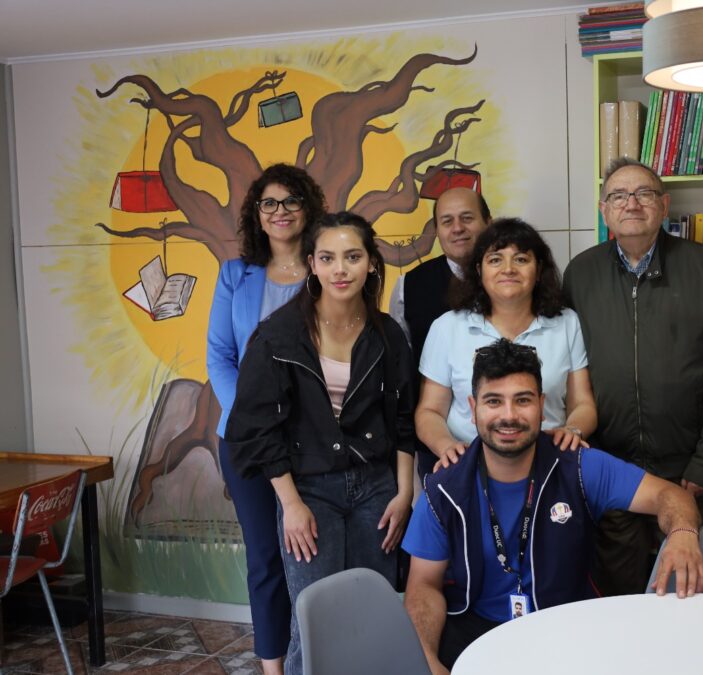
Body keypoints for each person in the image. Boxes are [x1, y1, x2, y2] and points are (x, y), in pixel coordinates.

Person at [403, 339, 703, 674]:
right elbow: (423, 587)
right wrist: (429, 661)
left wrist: (681, 532)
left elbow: (671, 495)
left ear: (542, 405)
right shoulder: (444, 487)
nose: (509, 416)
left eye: (523, 400)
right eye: (493, 401)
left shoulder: (578, 466)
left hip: (568, 631)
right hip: (474, 634)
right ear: (473, 408)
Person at [225, 212, 416, 675]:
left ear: (371, 263)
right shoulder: (277, 335)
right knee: (312, 621)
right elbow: (256, 429)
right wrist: (290, 504)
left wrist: (404, 491)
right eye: (328, 258)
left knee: (373, 614)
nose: (340, 269)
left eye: (353, 257)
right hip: (307, 490)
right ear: (311, 263)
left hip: (376, 488)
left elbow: (405, 418)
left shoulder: (388, 334)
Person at [562, 158, 703, 596]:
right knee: (619, 597)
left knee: (691, 592)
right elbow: (567, 370)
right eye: (619, 195)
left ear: (664, 206)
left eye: (644, 193)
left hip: (689, 469)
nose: (632, 204)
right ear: (604, 211)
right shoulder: (580, 274)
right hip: (614, 471)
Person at [206, 163, 326, 675]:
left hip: (316, 441)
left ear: (309, 208)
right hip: (247, 442)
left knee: (313, 558)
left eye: (291, 200)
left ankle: (319, 658)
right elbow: (218, 356)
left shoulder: (328, 268)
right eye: (269, 203)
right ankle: (273, 667)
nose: (280, 212)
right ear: (257, 214)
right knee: (266, 561)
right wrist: (251, 422)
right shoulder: (236, 275)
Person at [416, 217, 597, 467]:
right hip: (470, 463)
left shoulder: (566, 322)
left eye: (521, 259)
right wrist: (447, 447)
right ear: (479, 271)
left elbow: (583, 404)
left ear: (538, 270)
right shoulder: (447, 327)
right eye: (495, 259)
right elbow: (429, 411)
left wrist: (573, 431)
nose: (508, 269)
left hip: (550, 462)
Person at [389, 187, 492, 477]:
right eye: (447, 221)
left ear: (488, 222)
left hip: (512, 443)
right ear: (437, 231)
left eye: (467, 218)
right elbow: (403, 369)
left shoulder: (514, 281)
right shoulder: (409, 287)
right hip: (437, 448)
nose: (457, 228)